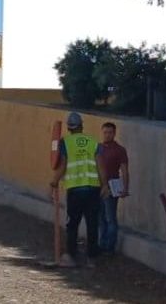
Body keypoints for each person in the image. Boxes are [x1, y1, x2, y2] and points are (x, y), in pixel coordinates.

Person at [49, 112, 102, 267]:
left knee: (72, 224)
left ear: (69, 127)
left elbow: (63, 165)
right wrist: (104, 184)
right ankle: (92, 258)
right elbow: (100, 165)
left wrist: (54, 181)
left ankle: (70, 256)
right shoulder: (93, 142)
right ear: (81, 125)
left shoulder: (66, 143)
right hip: (93, 188)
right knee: (92, 224)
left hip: (75, 189)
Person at [97, 122, 130, 255]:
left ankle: (109, 246)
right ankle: (102, 243)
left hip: (112, 187)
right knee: (100, 217)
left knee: (110, 217)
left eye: (110, 132)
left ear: (114, 133)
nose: (107, 135)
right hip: (97, 187)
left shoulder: (119, 150)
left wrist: (125, 188)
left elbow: (125, 170)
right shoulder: (98, 148)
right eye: (105, 132)